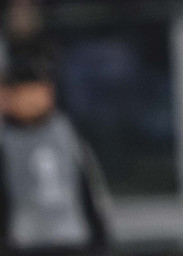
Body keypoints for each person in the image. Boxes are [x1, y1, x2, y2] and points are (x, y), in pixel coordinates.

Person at [0, 54, 112, 256]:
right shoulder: (5, 140)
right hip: (24, 244)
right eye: (26, 90)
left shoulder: (65, 132)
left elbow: (90, 190)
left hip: (74, 241)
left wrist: (100, 239)